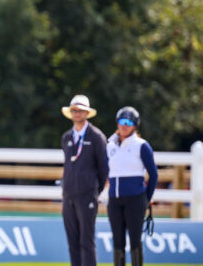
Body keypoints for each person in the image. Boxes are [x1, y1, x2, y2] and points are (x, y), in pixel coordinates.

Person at [60, 94, 108, 266]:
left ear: (87, 113)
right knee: (72, 242)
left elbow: (104, 168)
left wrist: (95, 190)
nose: (77, 113)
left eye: (80, 110)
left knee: (86, 241)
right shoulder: (66, 137)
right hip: (69, 195)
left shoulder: (96, 137)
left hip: (87, 195)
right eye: (74, 110)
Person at [106, 107, 158, 266]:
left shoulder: (141, 145)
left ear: (135, 126)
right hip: (114, 201)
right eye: (122, 121)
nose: (125, 125)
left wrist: (145, 199)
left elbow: (154, 174)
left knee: (135, 241)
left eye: (129, 122)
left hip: (135, 200)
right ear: (117, 123)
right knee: (117, 241)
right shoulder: (109, 145)